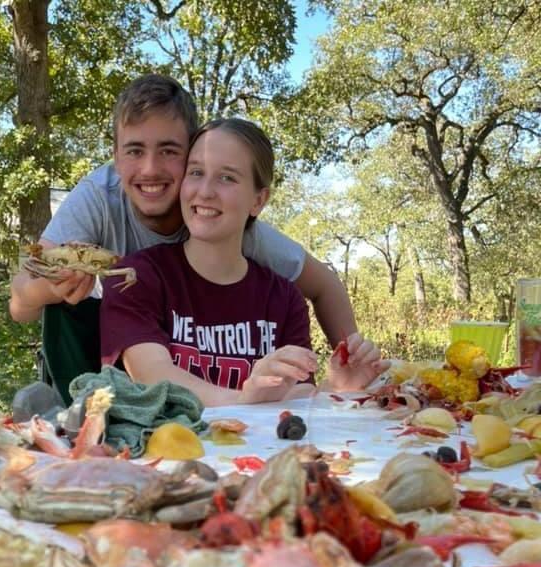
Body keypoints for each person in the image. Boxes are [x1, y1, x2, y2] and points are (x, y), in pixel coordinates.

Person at [9, 74, 359, 350]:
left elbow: (324, 285)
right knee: (67, 310)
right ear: (115, 157)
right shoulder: (97, 199)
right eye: (134, 151)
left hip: (188, 356)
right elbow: (20, 303)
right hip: (110, 352)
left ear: (192, 153)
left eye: (168, 151)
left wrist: (354, 370)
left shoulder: (214, 215)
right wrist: (52, 291)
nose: (149, 169)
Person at [99, 118, 387, 407]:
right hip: (167, 447)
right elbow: (151, 375)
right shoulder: (134, 276)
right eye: (196, 172)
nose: (206, 191)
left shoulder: (284, 299)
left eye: (227, 177)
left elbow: (296, 395)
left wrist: (335, 389)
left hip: (259, 452)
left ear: (258, 201)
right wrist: (244, 399)